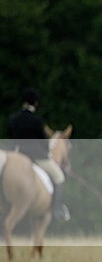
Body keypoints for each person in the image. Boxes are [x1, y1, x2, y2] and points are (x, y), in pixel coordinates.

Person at [8, 87, 70, 221]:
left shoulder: (13, 119)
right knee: (59, 177)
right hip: (36, 157)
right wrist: (47, 154)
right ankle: (56, 210)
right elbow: (43, 142)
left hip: (18, 155)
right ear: (35, 103)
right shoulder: (37, 121)